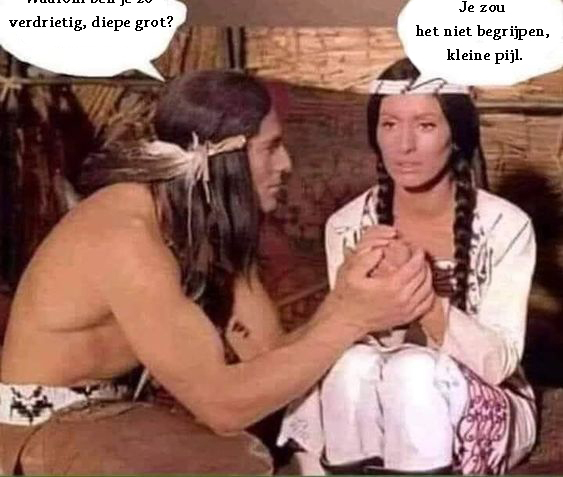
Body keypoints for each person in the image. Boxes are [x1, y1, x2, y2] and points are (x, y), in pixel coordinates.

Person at [0, 70, 435, 475]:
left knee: (243, 455)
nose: (286, 163)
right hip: (35, 429)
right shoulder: (126, 238)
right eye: (271, 147)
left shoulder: (204, 224)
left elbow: (269, 357)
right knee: (229, 463)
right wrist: (351, 319)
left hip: (109, 415)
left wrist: (344, 301)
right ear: (224, 158)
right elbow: (224, 407)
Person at [278, 59, 537, 475]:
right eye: (389, 125)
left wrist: (422, 297)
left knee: (413, 371)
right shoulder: (348, 225)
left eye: (426, 125)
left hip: (484, 395)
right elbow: (345, 341)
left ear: (457, 135)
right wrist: (358, 291)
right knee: (350, 366)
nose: (404, 145)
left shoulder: (505, 225)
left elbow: (498, 365)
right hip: (377, 396)